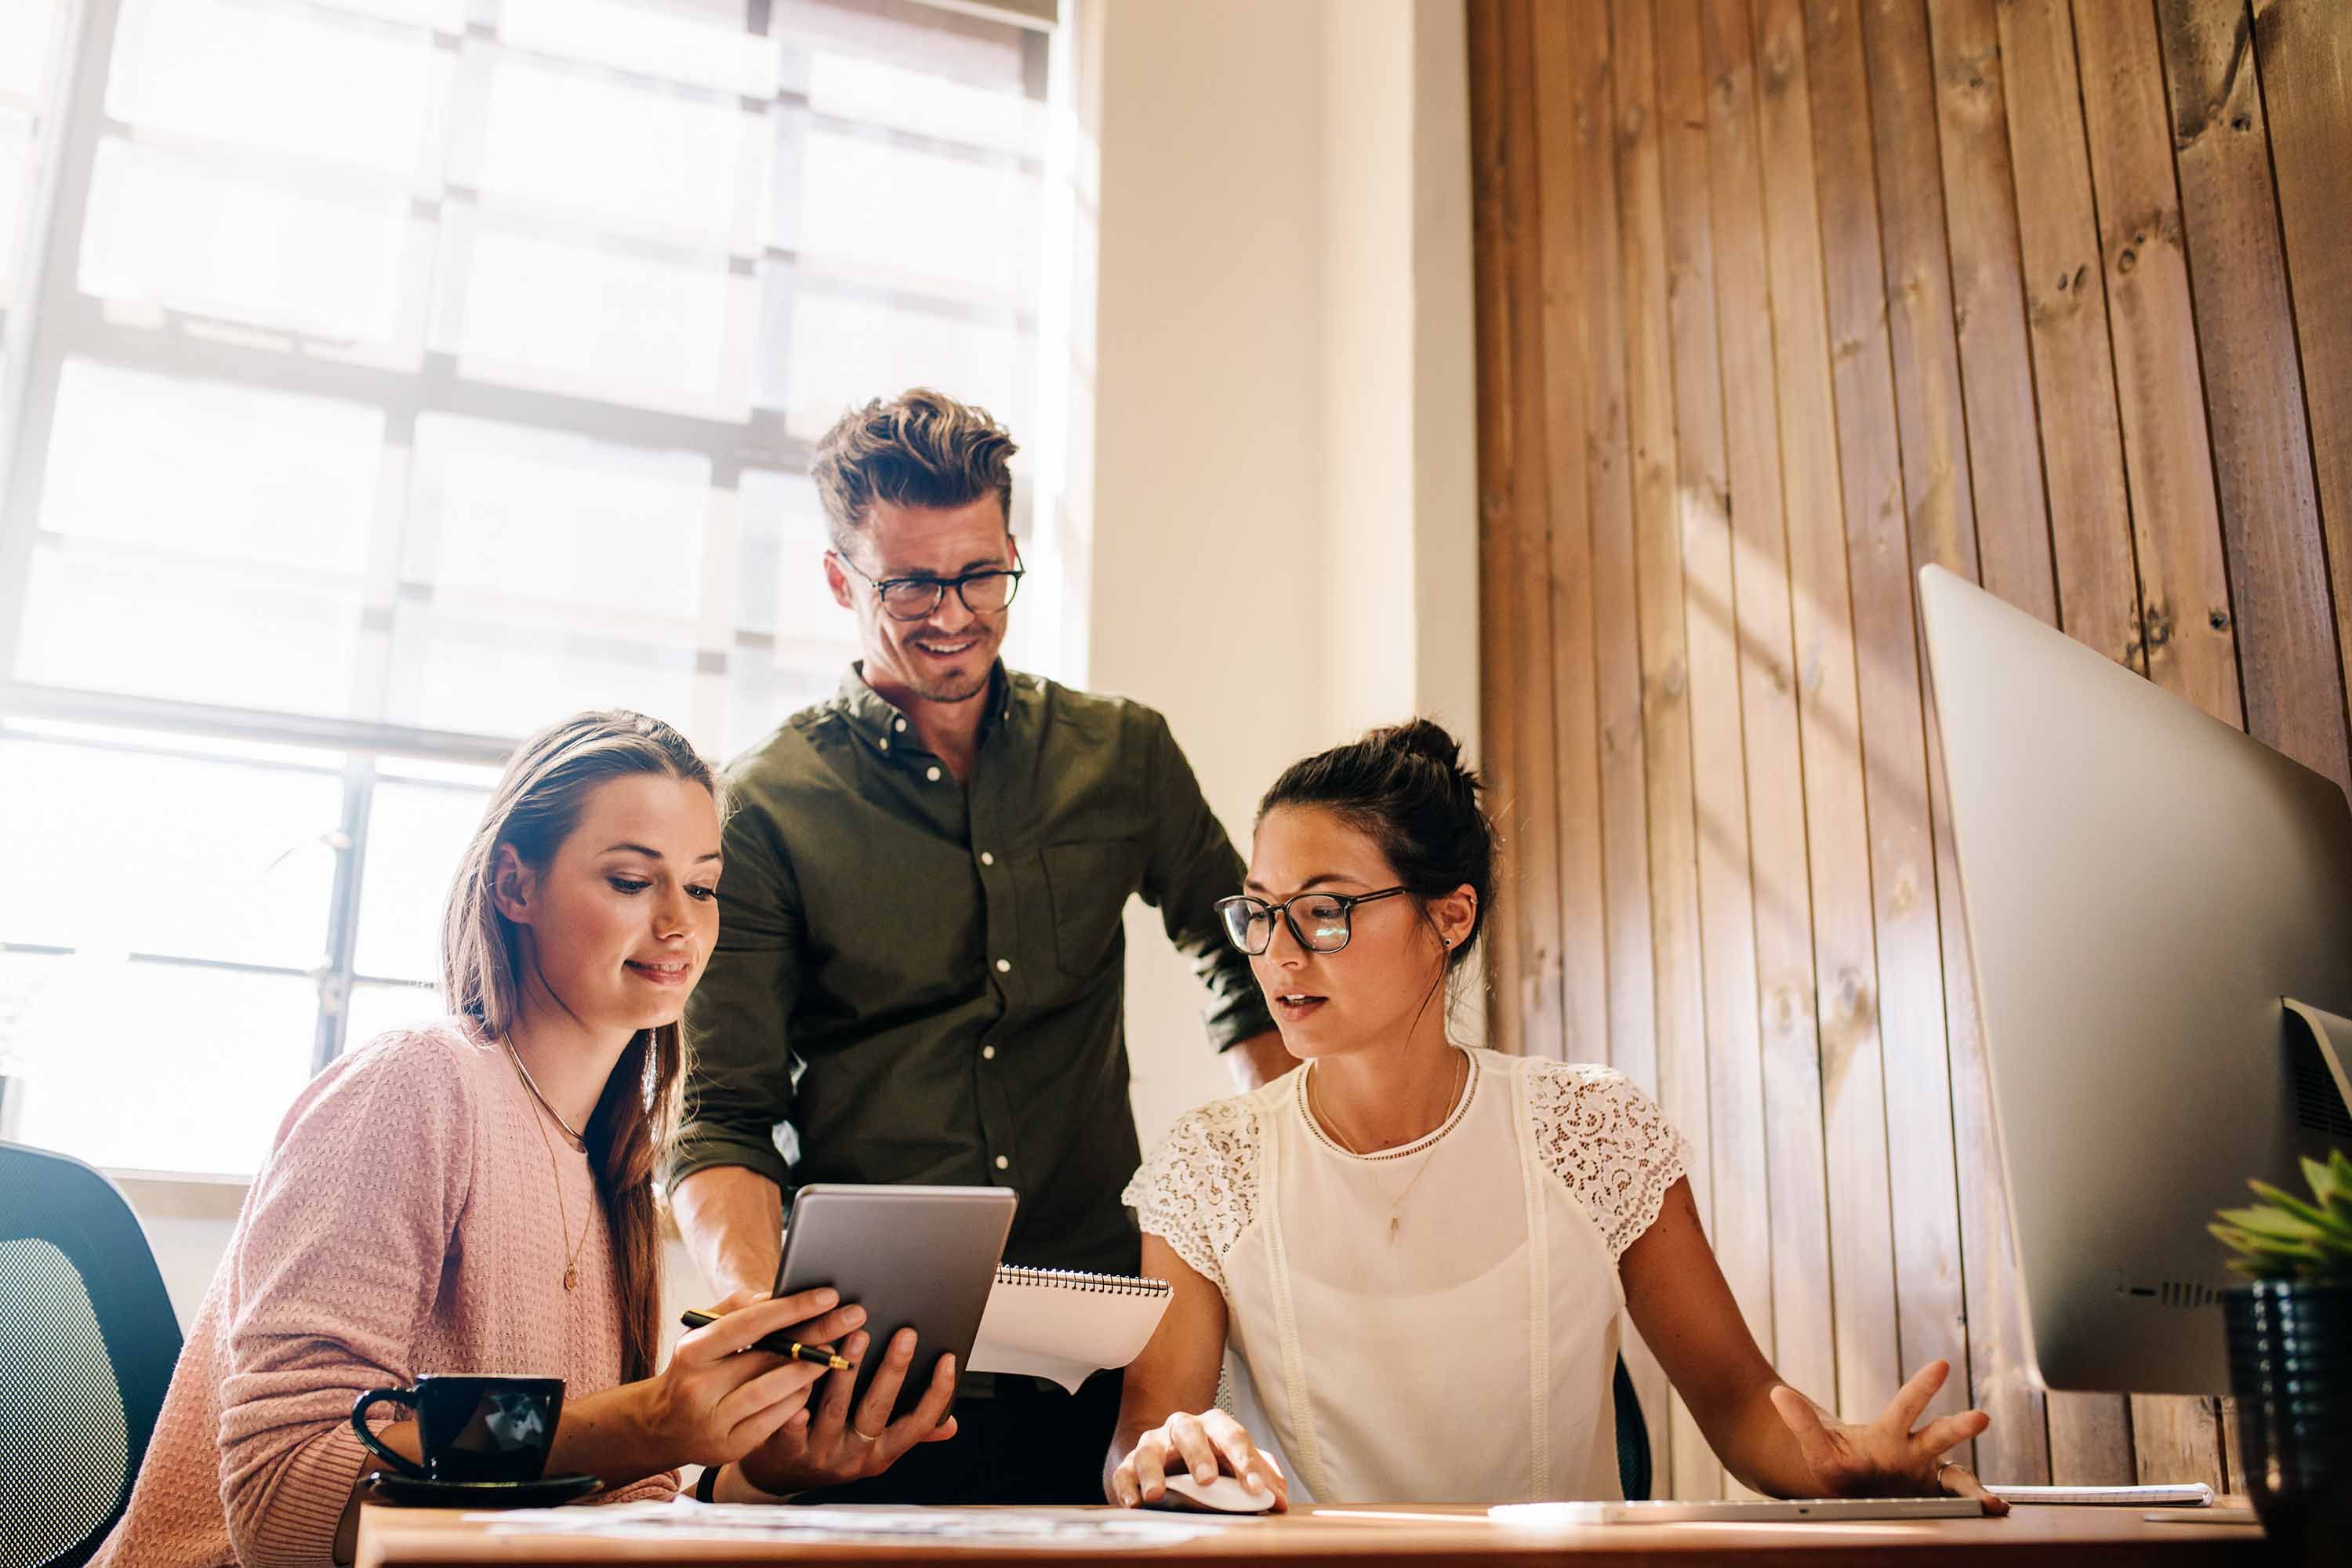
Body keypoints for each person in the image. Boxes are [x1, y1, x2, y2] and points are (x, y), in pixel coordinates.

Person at [92, 711, 952, 1568]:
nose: (680, 924)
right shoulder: (414, 1087)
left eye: (701, 887)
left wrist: (756, 1472)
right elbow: (284, 1500)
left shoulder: (610, 1161)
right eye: (630, 880)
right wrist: (644, 1421)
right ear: (514, 886)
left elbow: (594, 1508)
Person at [1108, 720, 2012, 1512]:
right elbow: (1143, 1438)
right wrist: (1163, 1456)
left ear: (1450, 916)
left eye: (1323, 910)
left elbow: (1742, 1405)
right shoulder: (1211, 1161)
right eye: (1261, 912)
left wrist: (1849, 1464)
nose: (1278, 952)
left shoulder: (1590, 1127)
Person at [666, 388, 1283, 1505]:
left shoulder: (1122, 755)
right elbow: (722, 1117)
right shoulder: (761, 808)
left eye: (981, 575)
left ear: (1010, 552)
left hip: (1101, 1360)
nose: (953, 614)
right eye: (909, 583)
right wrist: (768, 1321)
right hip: (869, 1378)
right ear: (840, 579)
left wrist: (1289, 1184)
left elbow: (1252, 959)